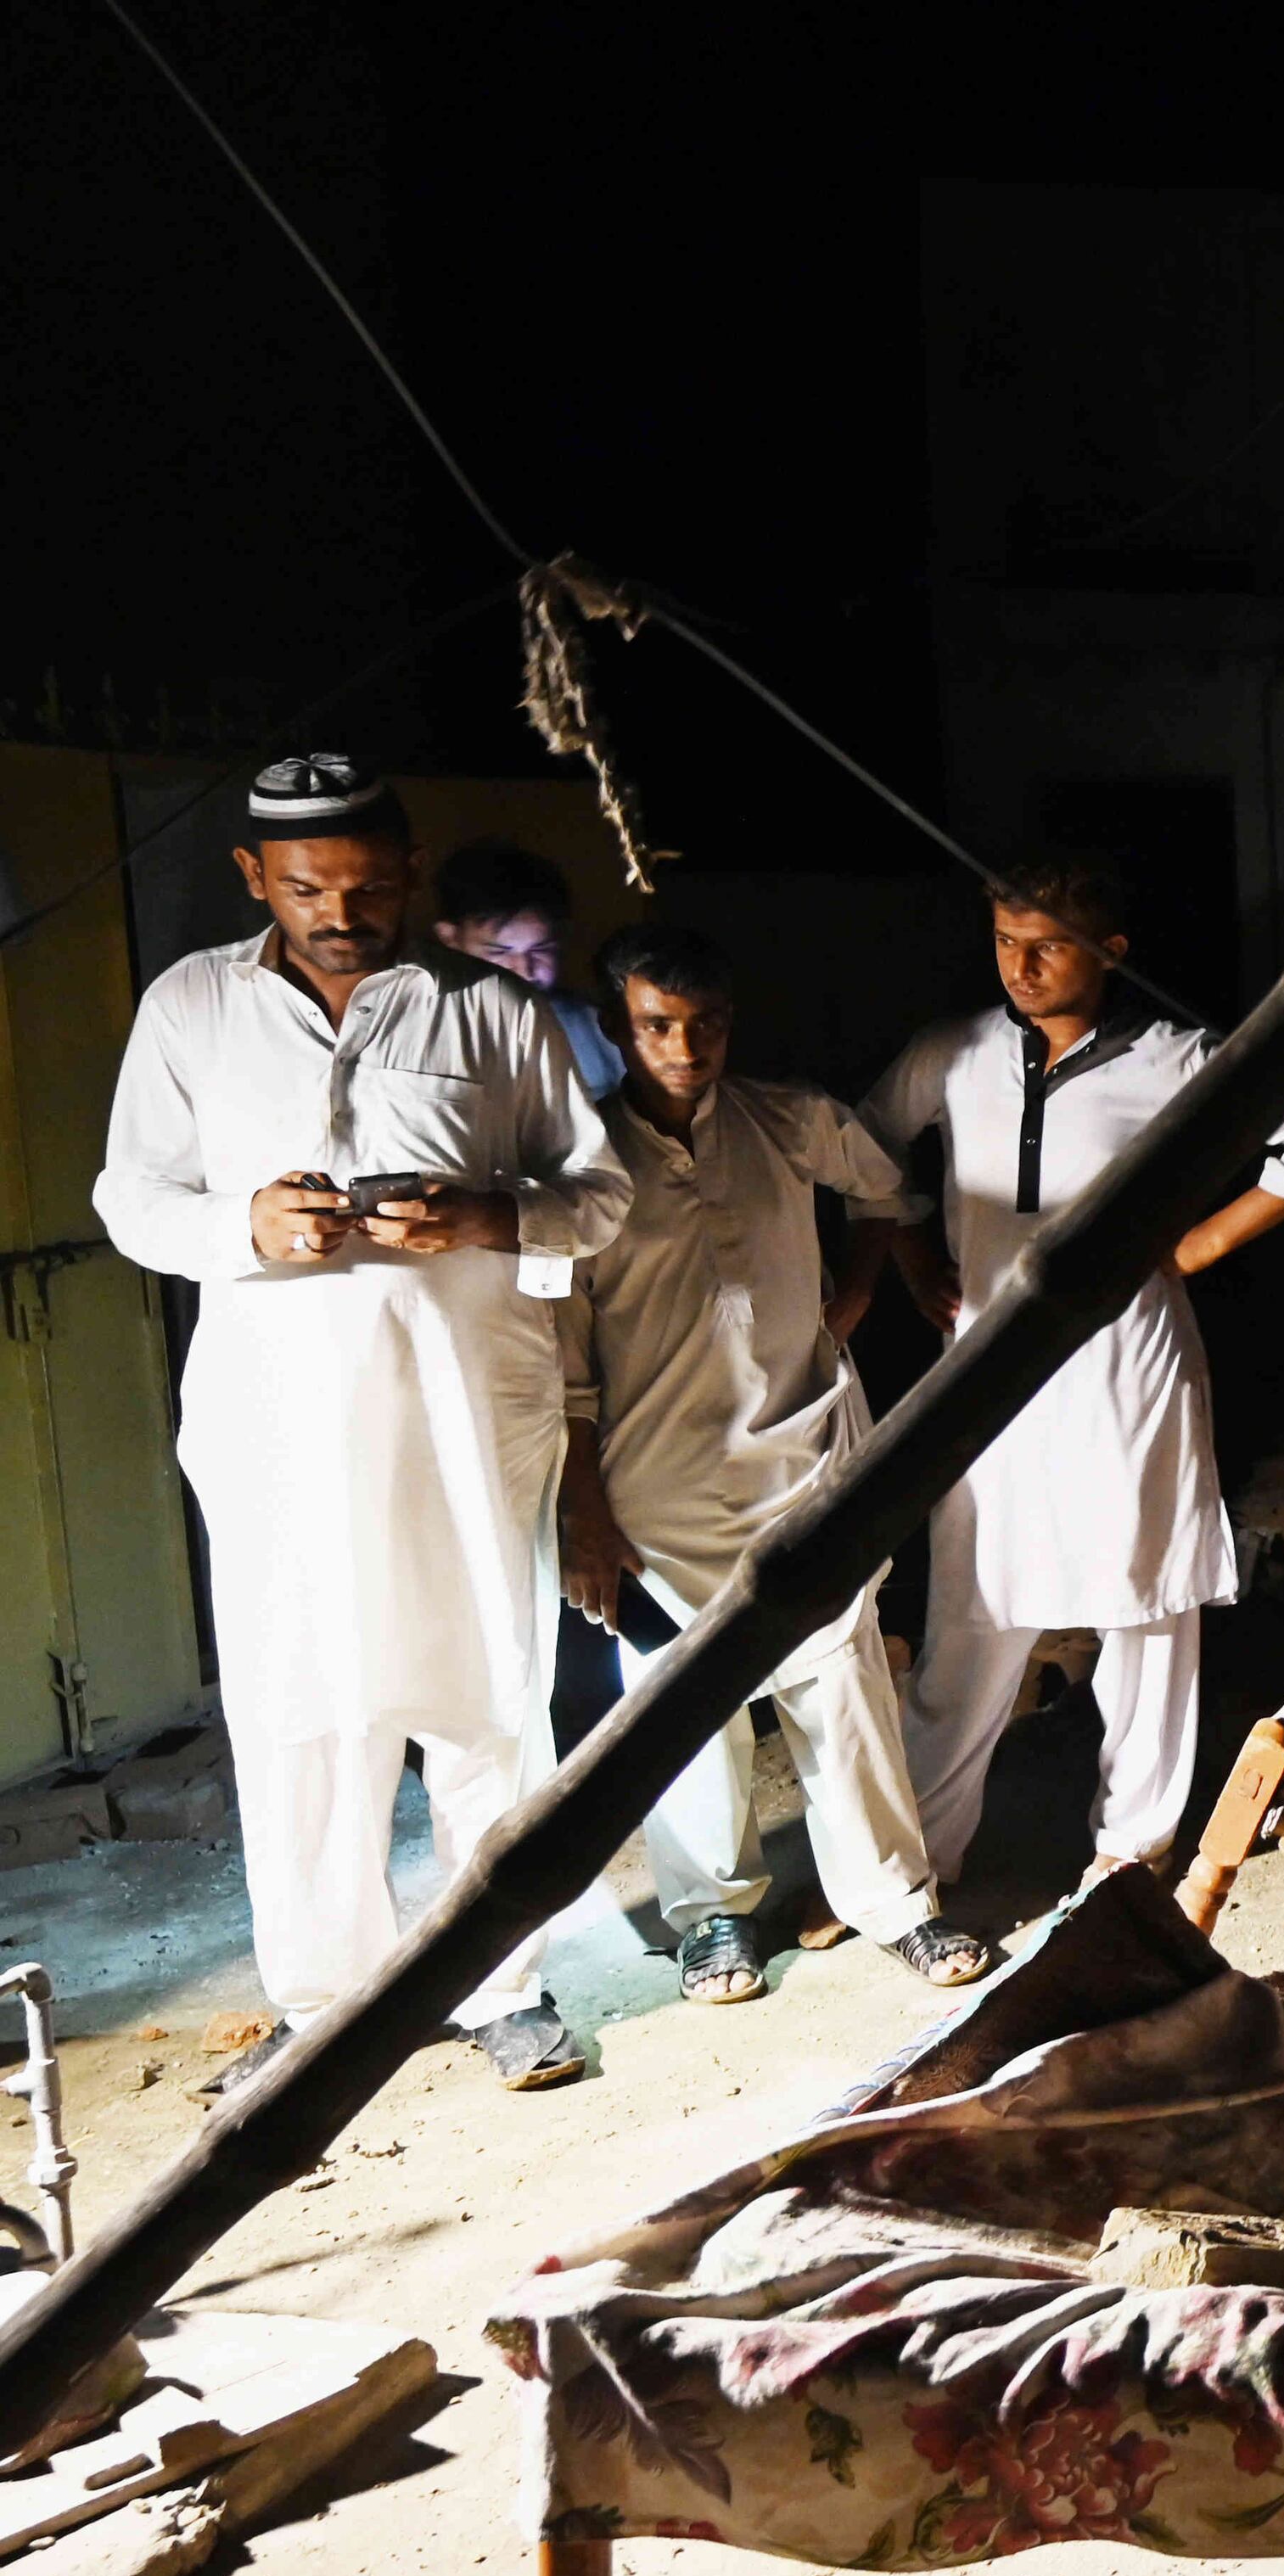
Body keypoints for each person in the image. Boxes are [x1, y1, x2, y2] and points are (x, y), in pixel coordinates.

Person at [93, 755, 631, 2095]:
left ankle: (503, 1987)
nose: (345, 913)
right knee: (297, 1709)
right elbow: (129, 1199)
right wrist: (245, 1228)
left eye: (374, 887)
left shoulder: (496, 1012)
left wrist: (489, 1219)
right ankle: (321, 2002)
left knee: (486, 1700)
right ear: (253, 879)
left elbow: (602, 1200)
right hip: (276, 1432)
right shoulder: (194, 1007)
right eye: (312, 888)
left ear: (409, 875)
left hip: (466, 1421)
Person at [855, 850, 1284, 1883]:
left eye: (1045, 945)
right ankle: (913, 1863)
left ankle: (1128, 1857)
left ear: (1108, 951)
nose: (1021, 965)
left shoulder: (1176, 1058)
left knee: (1145, 1612)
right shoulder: (952, 1053)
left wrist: (1199, 1245)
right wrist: (911, 1254)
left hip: (1126, 1367)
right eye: (1005, 942)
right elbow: (865, 1148)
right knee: (972, 1607)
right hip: (991, 1367)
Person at [556, 924, 994, 2005]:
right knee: (677, 1700)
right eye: (659, 1024)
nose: (685, 1045)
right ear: (618, 1027)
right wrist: (584, 1512)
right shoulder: (581, 1164)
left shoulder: (787, 1119)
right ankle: (712, 1920)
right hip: (653, 1478)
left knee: (841, 1683)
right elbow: (561, 1361)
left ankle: (896, 1904)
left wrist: (855, 1291)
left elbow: (889, 1190)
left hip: (802, 1452)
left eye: (705, 1024)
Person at [434, 837, 625, 1100]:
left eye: (540, 950)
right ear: (450, 938)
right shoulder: (425, 1031)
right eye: (499, 952)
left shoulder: (597, 1029)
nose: (524, 969)